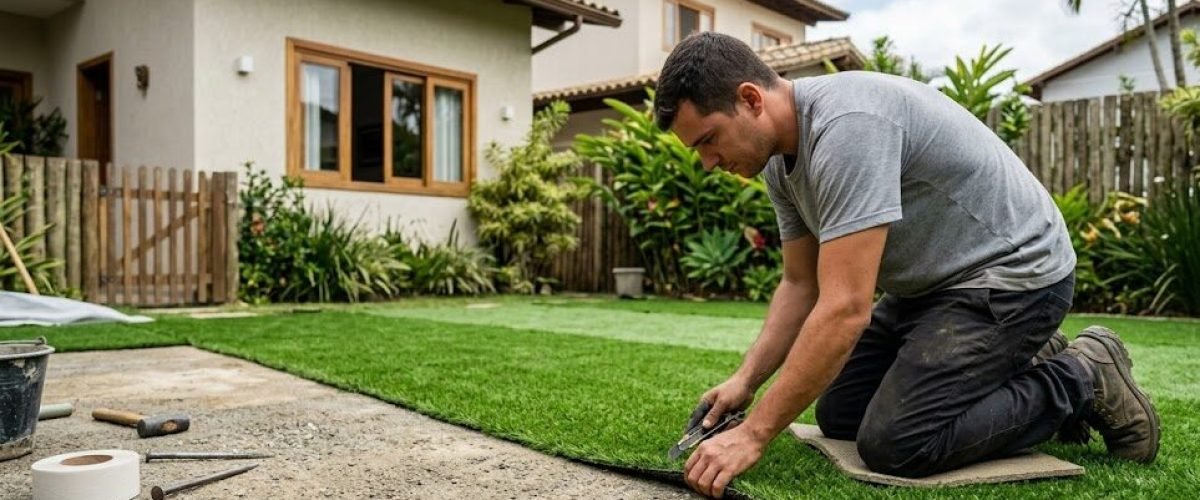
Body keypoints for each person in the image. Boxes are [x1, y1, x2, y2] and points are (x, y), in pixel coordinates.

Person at [654, 32, 1160, 498]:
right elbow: (800, 284)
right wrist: (746, 381)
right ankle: (1019, 357)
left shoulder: (847, 127)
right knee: (842, 414)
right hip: (933, 286)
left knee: (899, 444)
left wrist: (753, 434)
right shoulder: (778, 164)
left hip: (1015, 277)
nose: (708, 163)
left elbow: (845, 310)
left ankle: (1083, 374)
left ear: (750, 99)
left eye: (708, 140)